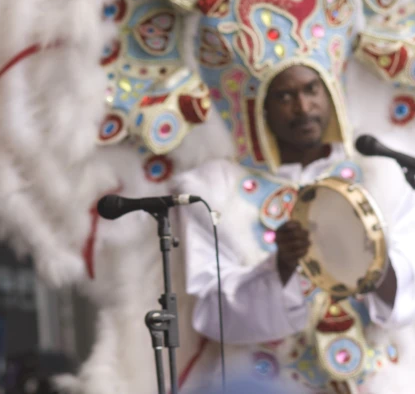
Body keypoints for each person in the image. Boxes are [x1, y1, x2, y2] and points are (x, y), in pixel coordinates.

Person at [175, 61, 415, 393]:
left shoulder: (383, 170)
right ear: (259, 104)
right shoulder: (216, 191)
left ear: (329, 90)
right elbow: (212, 314)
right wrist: (282, 267)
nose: (303, 107)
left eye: (311, 89)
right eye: (285, 96)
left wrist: (370, 258)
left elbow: (409, 291)